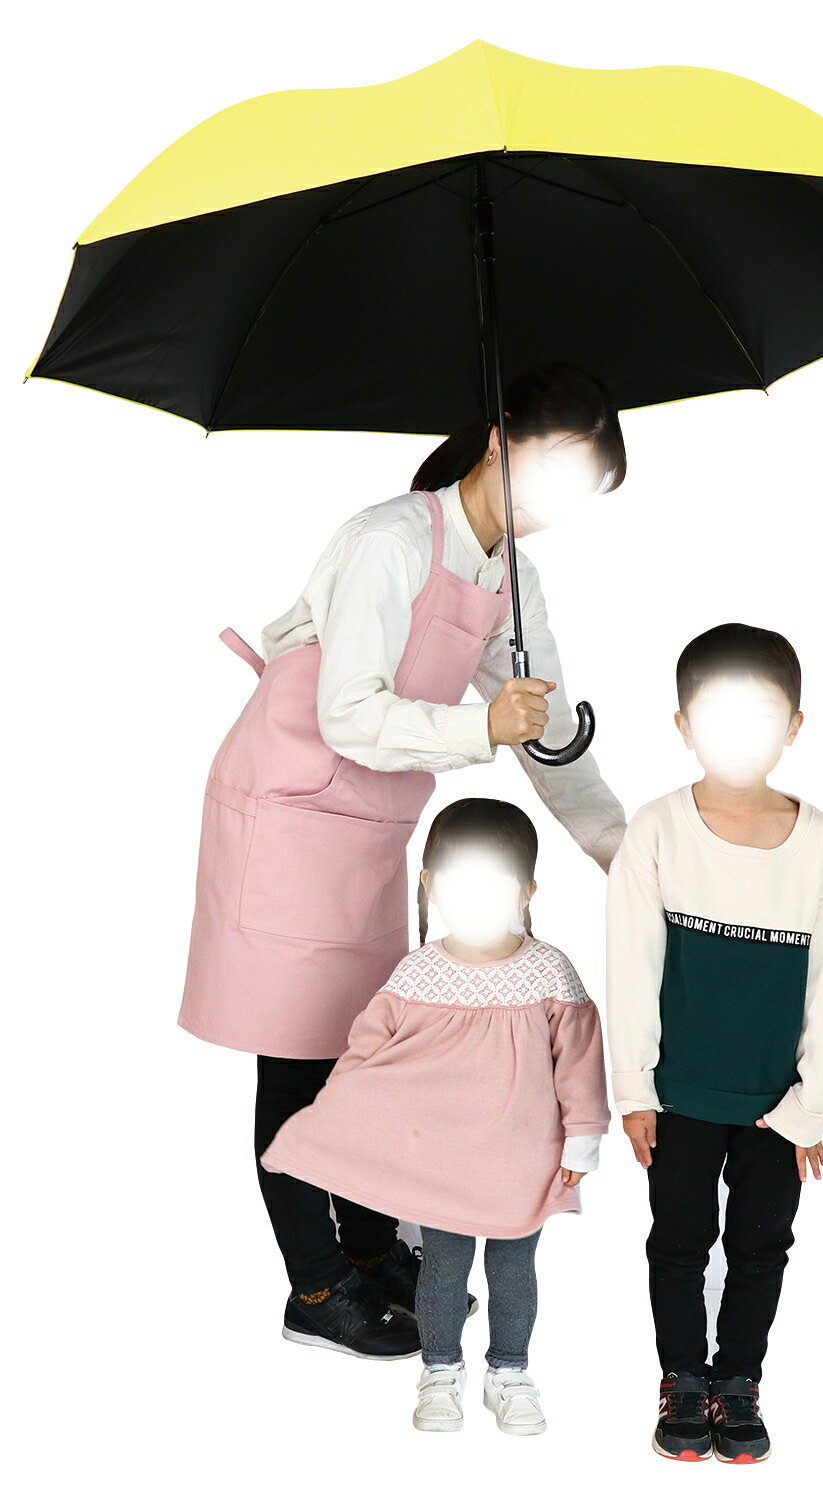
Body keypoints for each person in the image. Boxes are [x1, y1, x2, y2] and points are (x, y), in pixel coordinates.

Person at [177, 365, 627, 1358]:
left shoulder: (512, 581)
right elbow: (349, 714)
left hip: (370, 831)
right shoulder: (387, 541)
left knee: (369, 1057)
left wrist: (624, 858)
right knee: (299, 1066)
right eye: (553, 470)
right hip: (289, 819)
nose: (556, 506)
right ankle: (317, 1289)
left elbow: (551, 740)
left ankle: (375, 1255)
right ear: (501, 439)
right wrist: (481, 726)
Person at [261, 798, 610, 1434]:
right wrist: (340, 1116)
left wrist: (582, 1139)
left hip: (521, 1162)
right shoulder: (417, 974)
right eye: (459, 885)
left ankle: (510, 1372)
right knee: (445, 1268)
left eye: (494, 885)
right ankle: (441, 1369)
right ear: (428, 885)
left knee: (512, 1270)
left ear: (528, 890)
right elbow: (369, 1052)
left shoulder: (549, 971)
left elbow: (580, 1061)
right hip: (443, 1165)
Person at [605, 623, 823, 1464]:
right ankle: (682, 1380)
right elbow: (631, 963)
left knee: (759, 1246)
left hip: (774, 1102)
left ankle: (738, 1380)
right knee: (678, 1244)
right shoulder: (658, 828)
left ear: (794, 725)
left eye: (761, 717)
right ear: (682, 726)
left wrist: (812, 1103)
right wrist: (634, 1088)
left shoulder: (814, 836)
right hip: (679, 1093)